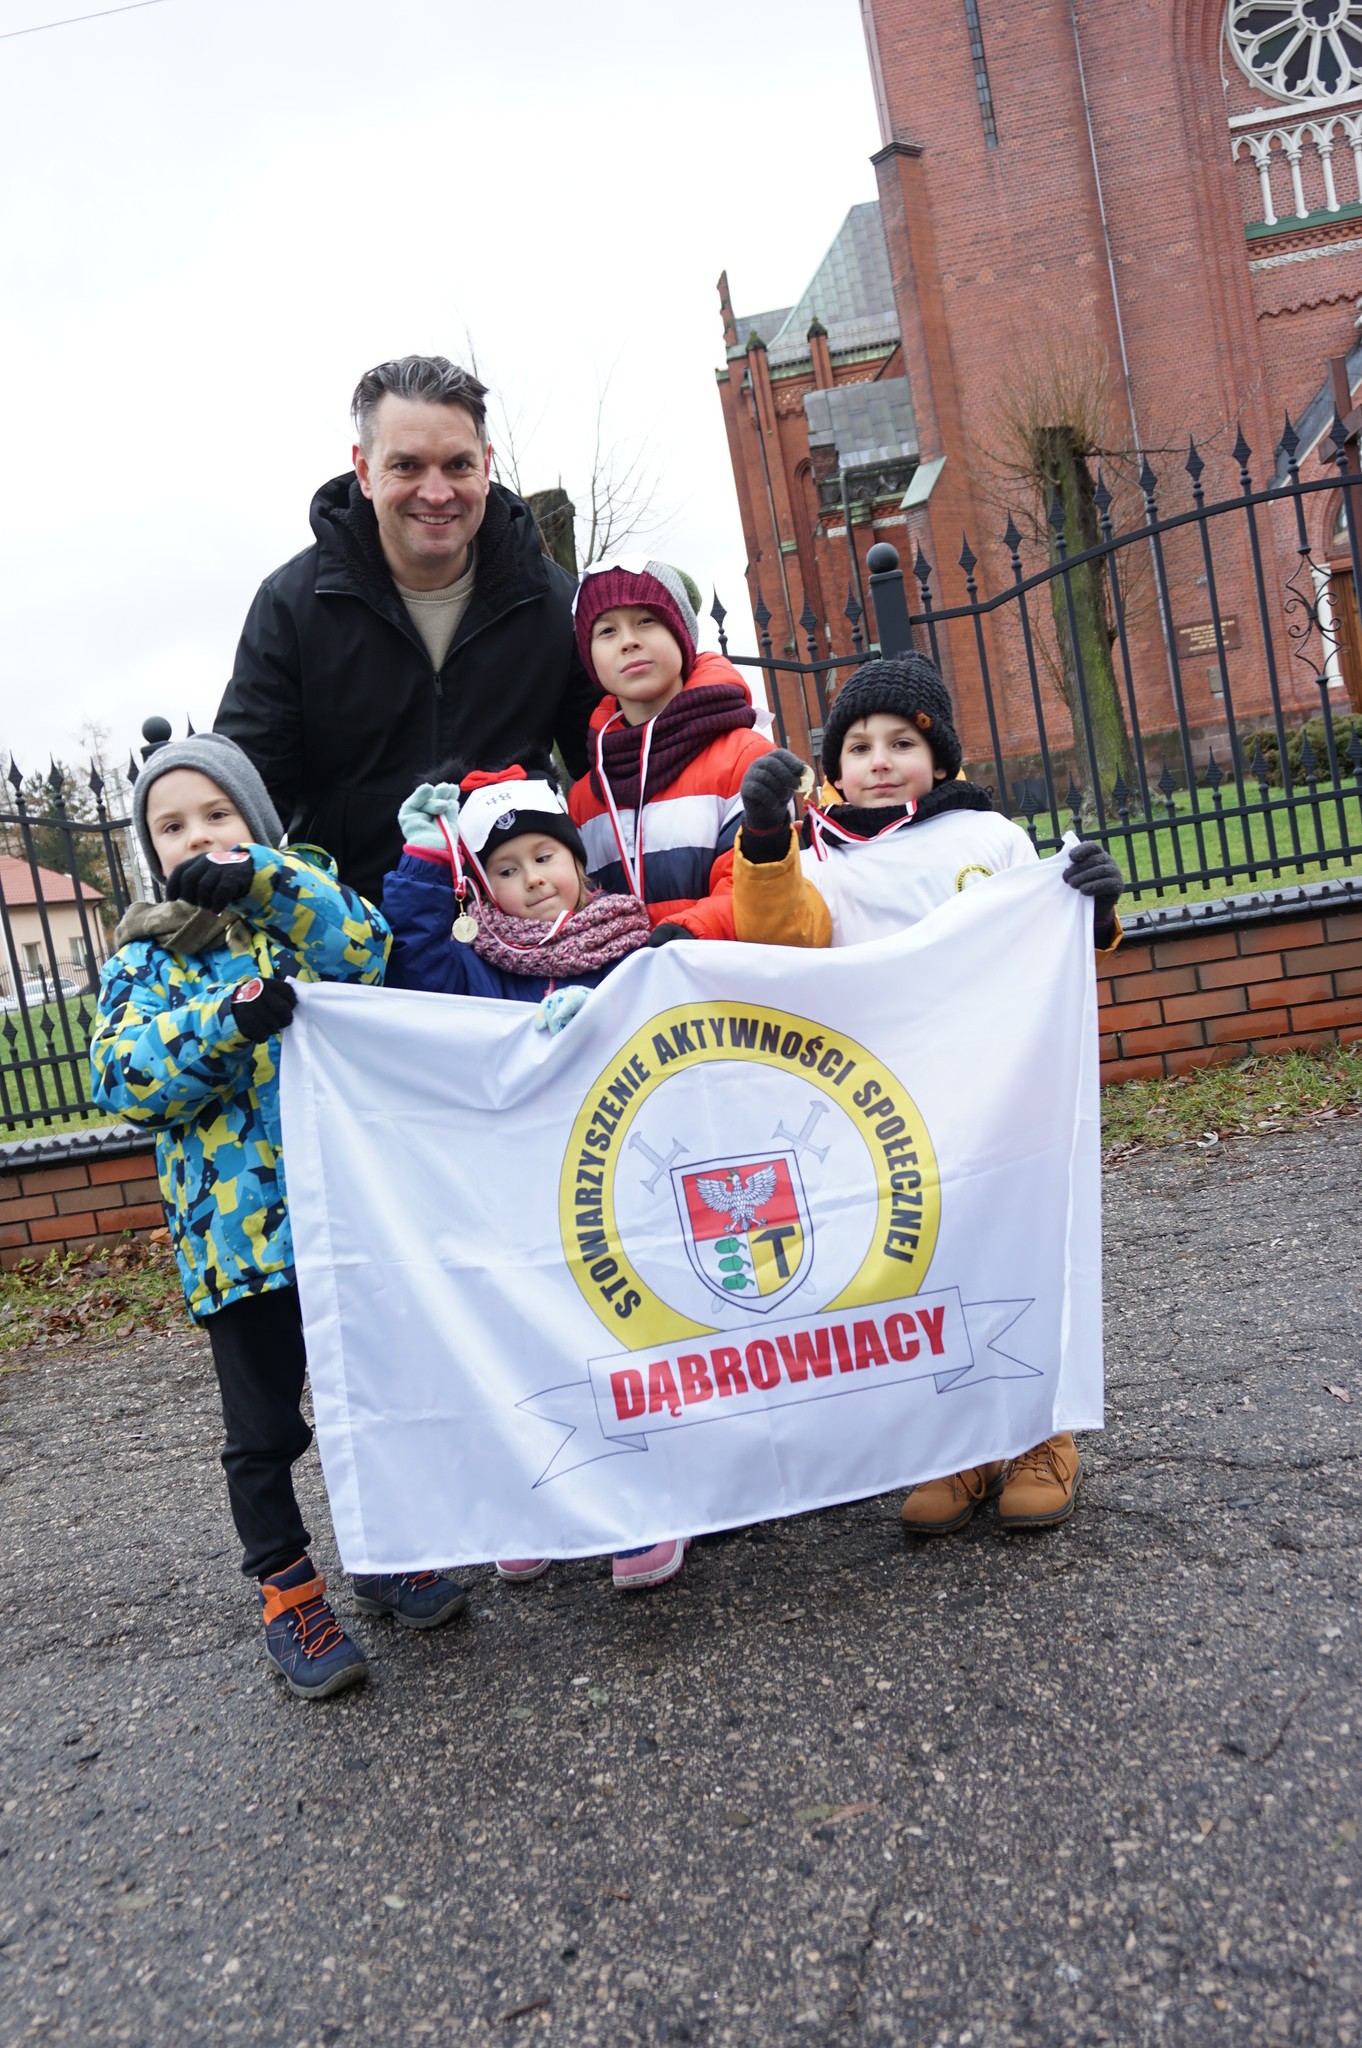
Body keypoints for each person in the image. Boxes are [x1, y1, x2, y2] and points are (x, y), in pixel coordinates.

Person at [89, 733, 468, 1703]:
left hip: (346, 1216)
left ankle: (387, 1551)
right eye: (171, 826)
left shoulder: (300, 905)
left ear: (255, 823)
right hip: (237, 1240)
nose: (194, 837)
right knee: (263, 1430)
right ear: (149, 848)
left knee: (372, 1399)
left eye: (216, 815)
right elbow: (125, 1076)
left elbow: (367, 950)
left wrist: (262, 879)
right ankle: (289, 1591)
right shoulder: (145, 957)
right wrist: (225, 1020)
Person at [730, 653, 1124, 1534]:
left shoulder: (991, 839)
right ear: (833, 769)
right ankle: (958, 1445)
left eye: (902, 743)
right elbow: (782, 938)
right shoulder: (820, 858)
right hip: (892, 1110)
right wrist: (762, 841)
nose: (879, 760)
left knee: (1016, 1249)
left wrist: (1093, 912)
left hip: (1000, 1094)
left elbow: (1045, 942)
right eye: (858, 746)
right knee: (922, 1266)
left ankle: (1041, 1434)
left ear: (939, 756)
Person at [382, 758, 691, 1591]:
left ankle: (645, 1503)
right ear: (483, 890)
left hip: (617, 1188)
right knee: (529, 1342)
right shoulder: (478, 962)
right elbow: (416, 964)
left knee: (624, 1339)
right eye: (507, 870)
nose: (533, 880)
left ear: (577, 862)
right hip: (517, 1191)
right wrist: (422, 865)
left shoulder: (633, 945)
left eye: (545, 857)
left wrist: (604, 1022)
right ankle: (538, 1501)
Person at [215, 355, 601, 907]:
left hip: (523, 929)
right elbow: (245, 793)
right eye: (407, 466)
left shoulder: (556, 603)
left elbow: (612, 767)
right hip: (351, 933)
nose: (437, 493)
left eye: (458, 465)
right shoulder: (292, 607)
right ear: (365, 470)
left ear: (486, 466)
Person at [567, 559, 772, 941]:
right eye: (607, 630)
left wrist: (685, 936)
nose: (629, 641)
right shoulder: (584, 798)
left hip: (719, 970)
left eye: (647, 620)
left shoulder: (745, 758)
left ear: (681, 633)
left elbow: (756, 885)